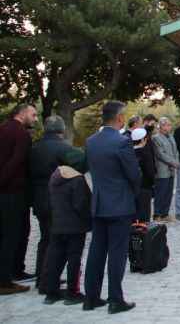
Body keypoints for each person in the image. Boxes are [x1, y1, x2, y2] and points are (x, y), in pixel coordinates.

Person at [83, 101, 140, 313]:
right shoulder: (122, 142)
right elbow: (134, 174)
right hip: (119, 204)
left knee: (96, 250)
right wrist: (132, 195)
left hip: (99, 202)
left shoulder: (91, 141)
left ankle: (91, 297)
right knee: (117, 252)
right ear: (119, 118)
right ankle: (115, 299)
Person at [27, 115, 85, 293]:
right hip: (58, 199)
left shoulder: (34, 148)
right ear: (61, 130)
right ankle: (49, 280)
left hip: (38, 198)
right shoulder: (63, 148)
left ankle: (41, 277)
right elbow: (82, 164)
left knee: (45, 239)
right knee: (58, 243)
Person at [0, 104, 37, 295]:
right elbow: (17, 161)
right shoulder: (20, 134)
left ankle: (10, 273)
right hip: (13, 191)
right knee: (12, 235)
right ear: (21, 114)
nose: (35, 118)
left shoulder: (3, 128)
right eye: (33, 114)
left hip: (6, 190)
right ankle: (6, 279)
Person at [43, 160, 91, 305]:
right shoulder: (77, 180)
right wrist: (89, 219)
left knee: (55, 259)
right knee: (74, 259)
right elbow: (81, 204)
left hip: (57, 225)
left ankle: (51, 292)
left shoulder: (55, 177)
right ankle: (72, 292)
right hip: (75, 227)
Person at [152, 117, 179, 222]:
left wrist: (176, 161)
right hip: (162, 169)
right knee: (161, 192)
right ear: (161, 126)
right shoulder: (156, 138)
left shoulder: (171, 137)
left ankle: (165, 214)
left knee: (169, 193)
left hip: (172, 169)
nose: (169, 127)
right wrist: (173, 162)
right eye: (167, 125)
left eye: (170, 125)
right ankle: (157, 214)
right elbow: (160, 154)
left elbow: (176, 151)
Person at [132, 128, 155, 223]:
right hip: (145, 187)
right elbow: (150, 172)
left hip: (132, 188)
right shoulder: (145, 153)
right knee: (144, 214)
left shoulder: (128, 152)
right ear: (143, 140)